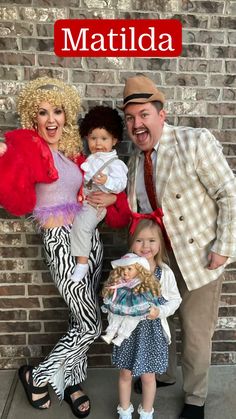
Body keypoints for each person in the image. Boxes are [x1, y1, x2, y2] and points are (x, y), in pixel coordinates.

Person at [103, 74, 236, 419]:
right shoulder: (134, 159)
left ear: (161, 115)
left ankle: (195, 397)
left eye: (144, 114)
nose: (137, 124)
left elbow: (229, 193)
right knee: (161, 319)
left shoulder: (194, 142)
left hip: (199, 256)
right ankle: (161, 372)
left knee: (194, 331)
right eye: (130, 118)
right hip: (158, 260)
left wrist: (223, 246)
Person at [0, 77, 104, 418]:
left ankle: (72, 382)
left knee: (79, 318)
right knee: (92, 325)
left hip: (89, 240)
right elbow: (15, 193)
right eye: (43, 113)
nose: (51, 119)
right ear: (33, 117)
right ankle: (38, 375)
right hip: (61, 243)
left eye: (57, 111)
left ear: (66, 114)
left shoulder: (71, 151)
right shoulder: (26, 150)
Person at [111, 218, 181, 419]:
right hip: (128, 332)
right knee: (125, 373)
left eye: (151, 241)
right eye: (140, 241)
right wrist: (115, 317)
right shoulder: (125, 272)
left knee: (148, 376)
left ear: (160, 244)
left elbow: (175, 300)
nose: (146, 246)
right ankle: (124, 410)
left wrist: (159, 312)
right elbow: (113, 298)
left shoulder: (164, 273)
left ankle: (147, 412)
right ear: (132, 243)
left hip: (152, 332)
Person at [70, 106, 128, 282]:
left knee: (82, 225)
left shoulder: (115, 163)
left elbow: (120, 184)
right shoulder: (91, 158)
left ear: (114, 140)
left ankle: (82, 263)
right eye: (93, 138)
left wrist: (107, 182)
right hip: (86, 199)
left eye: (104, 138)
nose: (98, 144)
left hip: (97, 204)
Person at [101, 252, 161, 346]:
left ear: (138, 270)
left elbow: (149, 295)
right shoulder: (119, 281)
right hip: (120, 302)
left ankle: (121, 337)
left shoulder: (141, 282)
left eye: (129, 269)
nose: (125, 272)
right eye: (123, 269)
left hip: (134, 303)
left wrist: (152, 305)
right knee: (115, 316)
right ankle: (110, 333)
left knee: (131, 320)